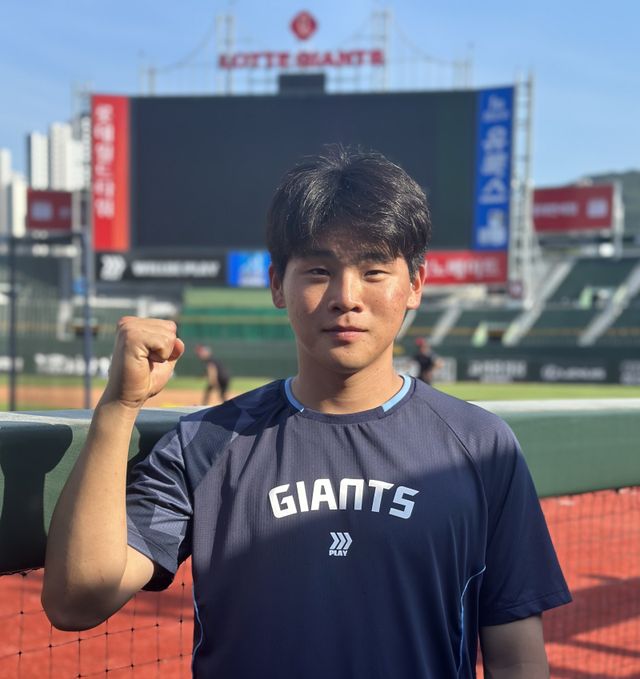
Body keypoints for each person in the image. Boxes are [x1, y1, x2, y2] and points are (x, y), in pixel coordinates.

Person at [42, 147, 571, 678]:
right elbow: (76, 601)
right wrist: (119, 406)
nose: (346, 297)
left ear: (414, 284)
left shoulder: (481, 446)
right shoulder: (205, 444)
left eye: (374, 270)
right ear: (278, 284)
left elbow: (517, 657)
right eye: (319, 270)